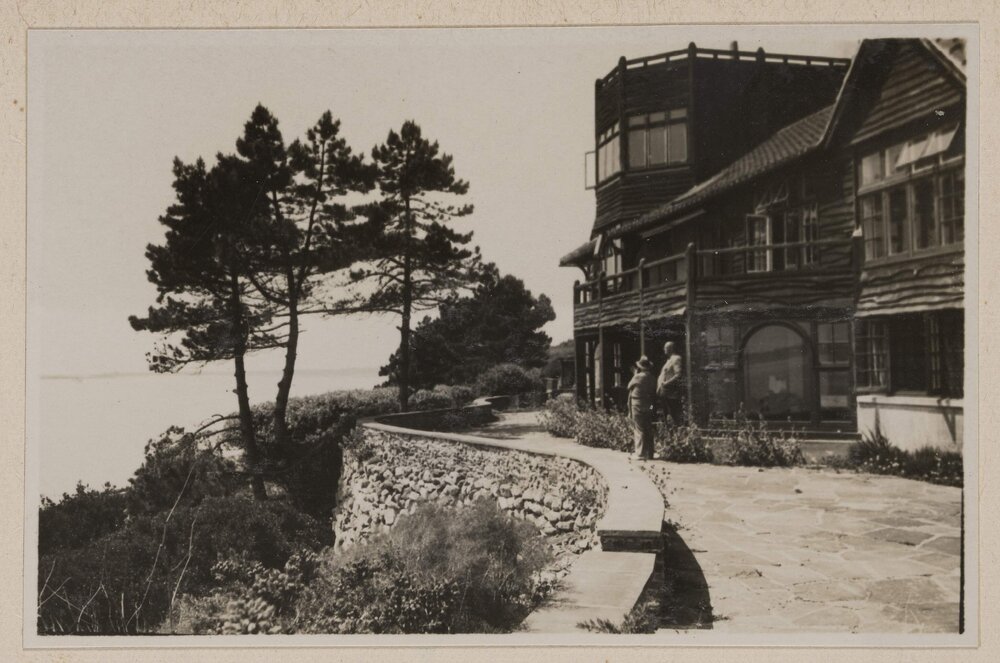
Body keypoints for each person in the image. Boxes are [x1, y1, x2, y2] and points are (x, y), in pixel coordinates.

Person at [627, 356, 656, 460]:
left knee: (639, 428)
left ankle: (640, 453)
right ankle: (650, 453)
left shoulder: (638, 376)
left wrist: (635, 374)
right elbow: (653, 394)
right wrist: (652, 408)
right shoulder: (652, 378)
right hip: (649, 404)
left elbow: (629, 386)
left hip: (637, 404)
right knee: (648, 428)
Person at [657, 341, 684, 426]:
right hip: (664, 393)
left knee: (673, 416)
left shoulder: (676, 358)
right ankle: (669, 435)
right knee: (666, 416)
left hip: (671, 393)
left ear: (670, 348)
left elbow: (678, 375)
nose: (664, 349)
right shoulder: (668, 360)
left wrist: (666, 383)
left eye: (665, 347)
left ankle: (676, 435)